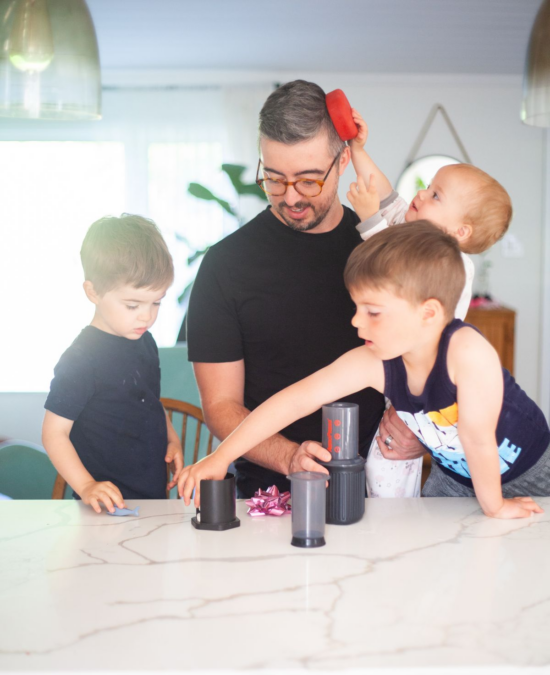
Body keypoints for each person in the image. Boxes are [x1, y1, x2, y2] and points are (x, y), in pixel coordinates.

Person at [178, 222, 549, 520]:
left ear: (429, 313)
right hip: (456, 478)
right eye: (356, 307)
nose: (356, 321)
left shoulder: (467, 353)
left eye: (372, 311)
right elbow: (293, 401)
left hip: (531, 469)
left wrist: (497, 507)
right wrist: (220, 457)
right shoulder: (374, 362)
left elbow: (479, 440)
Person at [186, 80, 419, 500]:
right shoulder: (225, 266)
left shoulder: (383, 250)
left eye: (309, 180)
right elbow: (221, 407)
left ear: (344, 159)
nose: (290, 197)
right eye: (274, 179)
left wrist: (421, 433)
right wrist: (289, 457)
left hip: (383, 495)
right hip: (268, 498)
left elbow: (429, 357)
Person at [345, 109, 513, 497]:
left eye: (435, 195)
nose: (420, 195)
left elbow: (393, 278)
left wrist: (370, 221)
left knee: (389, 462)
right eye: (428, 186)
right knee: (377, 464)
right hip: (396, 370)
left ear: (460, 231)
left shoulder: (453, 264)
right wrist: (356, 148)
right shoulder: (417, 230)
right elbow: (385, 193)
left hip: (423, 384)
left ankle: (395, 528)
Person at [42, 215, 184, 513]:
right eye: (133, 305)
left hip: (152, 498)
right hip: (104, 507)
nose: (147, 316)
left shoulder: (145, 341)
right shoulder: (81, 358)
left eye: (156, 302)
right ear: (93, 292)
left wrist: (172, 439)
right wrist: (86, 486)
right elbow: (54, 433)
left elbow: (149, 400)